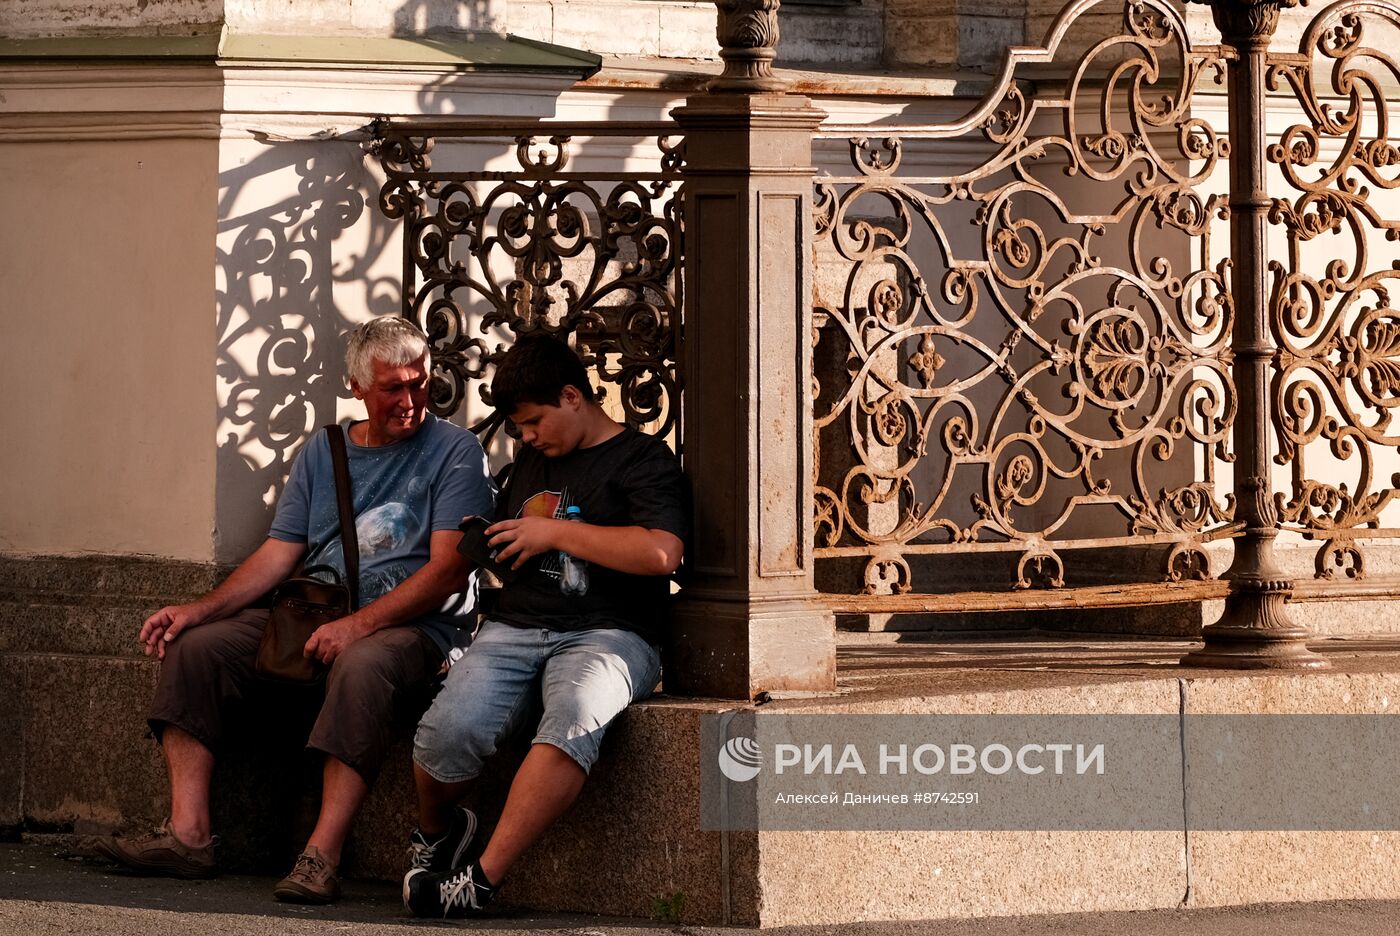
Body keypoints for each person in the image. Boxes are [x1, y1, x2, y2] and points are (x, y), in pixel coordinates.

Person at [96, 317, 496, 904]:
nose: (410, 401)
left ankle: (321, 854)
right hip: (315, 613)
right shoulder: (324, 451)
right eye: (393, 388)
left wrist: (357, 625)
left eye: (419, 383)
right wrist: (197, 610)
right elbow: (278, 555)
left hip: (418, 628)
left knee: (361, 664)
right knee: (195, 649)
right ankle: (188, 836)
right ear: (358, 387)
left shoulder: (454, 451)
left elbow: (447, 572)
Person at [401, 335, 687, 917]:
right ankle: (439, 832)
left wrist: (553, 533)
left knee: (575, 714)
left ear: (572, 395)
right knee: (445, 733)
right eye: (519, 428)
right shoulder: (535, 459)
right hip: (517, 625)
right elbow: (524, 531)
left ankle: (479, 882)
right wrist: (497, 536)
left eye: (534, 422)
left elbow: (662, 552)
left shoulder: (642, 459)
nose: (526, 438)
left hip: (613, 630)